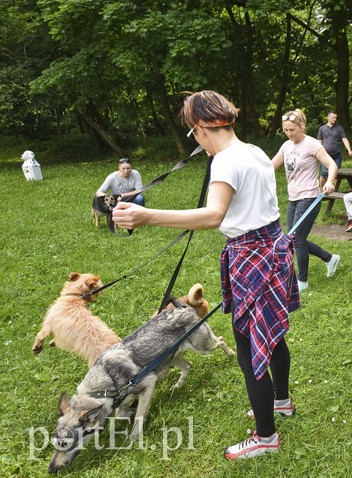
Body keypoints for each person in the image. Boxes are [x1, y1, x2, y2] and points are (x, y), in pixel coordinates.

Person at [112, 90, 298, 460]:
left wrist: (146, 215)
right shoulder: (256, 151)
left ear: (200, 128)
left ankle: (265, 437)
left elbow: (214, 215)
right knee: (272, 337)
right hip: (272, 250)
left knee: (249, 350)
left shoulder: (227, 161)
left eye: (192, 133)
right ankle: (281, 402)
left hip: (252, 260)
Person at [273, 108, 341, 292]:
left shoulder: (312, 144)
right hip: (293, 198)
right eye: (286, 130)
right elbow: (270, 166)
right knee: (293, 240)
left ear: (302, 126)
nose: (289, 134)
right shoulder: (286, 146)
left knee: (297, 240)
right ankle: (329, 258)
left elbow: (331, 164)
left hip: (310, 197)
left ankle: (302, 281)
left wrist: (330, 181)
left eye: (292, 130)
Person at [317, 110, 352, 189]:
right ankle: (321, 190)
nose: (334, 119)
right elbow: (319, 141)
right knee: (324, 174)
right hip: (325, 155)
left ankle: (333, 190)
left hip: (337, 155)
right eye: (333, 117)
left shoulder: (339, 128)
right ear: (328, 117)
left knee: (336, 174)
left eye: (335, 118)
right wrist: (317, 153)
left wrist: (349, 150)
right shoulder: (322, 128)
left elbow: (344, 139)